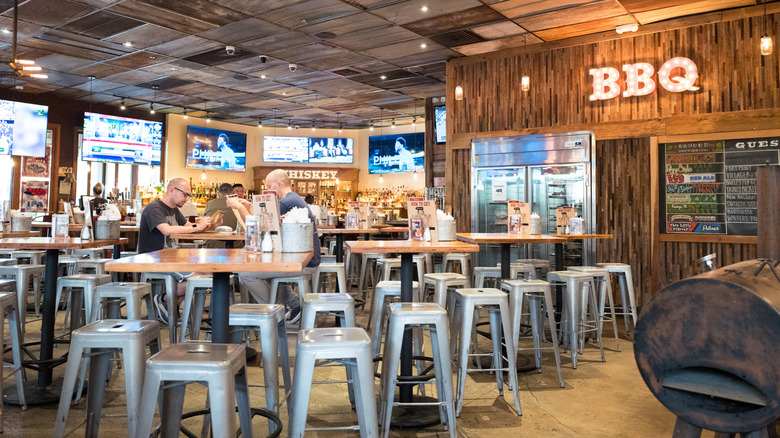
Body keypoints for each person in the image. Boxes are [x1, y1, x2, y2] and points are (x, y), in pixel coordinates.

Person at [227, 169, 321, 324]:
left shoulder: (287, 201)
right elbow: (265, 216)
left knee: (246, 273)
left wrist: (240, 207)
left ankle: (274, 312)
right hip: (305, 258)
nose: (266, 189)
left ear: (278, 184)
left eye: (268, 185)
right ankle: (295, 304)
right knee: (268, 273)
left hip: (303, 262)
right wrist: (250, 205)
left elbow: (256, 225)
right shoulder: (292, 199)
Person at [138, 178, 218, 322]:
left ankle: (169, 303)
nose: (187, 199)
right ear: (171, 190)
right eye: (185, 194)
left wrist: (210, 225)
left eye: (189, 195)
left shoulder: (174, 210)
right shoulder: (154, 208)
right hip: (154, 258)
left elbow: (190, 227)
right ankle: (164, 299)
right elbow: (167, 230)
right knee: (198, 276)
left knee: (209, 271)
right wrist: (196, 227)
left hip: (172, 257)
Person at [202, 183, 239, 248]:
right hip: (235, 246)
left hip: (211, 246)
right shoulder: (238, 204)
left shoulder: (210, 203)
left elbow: (204, 223)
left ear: (218, 193)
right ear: (232, 192)